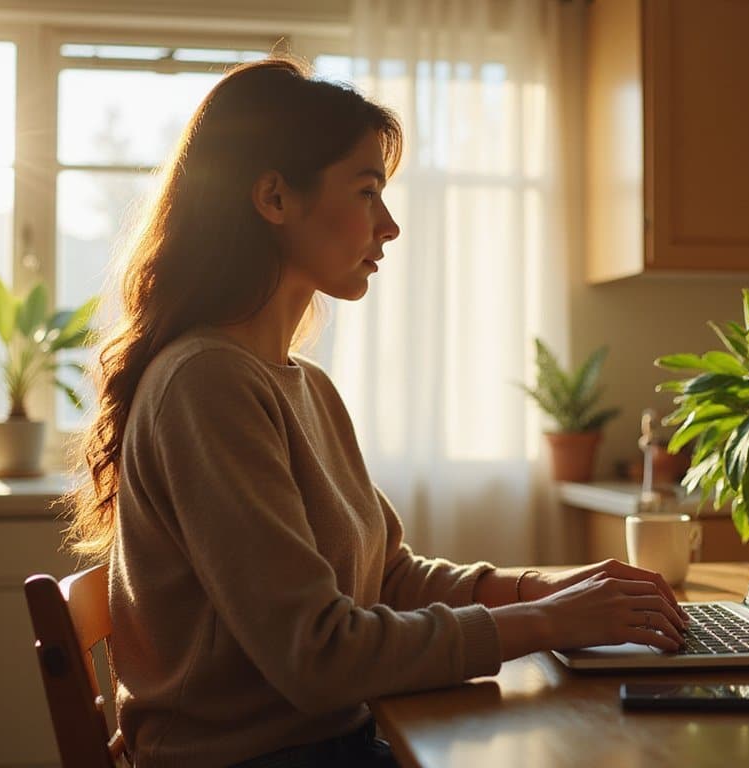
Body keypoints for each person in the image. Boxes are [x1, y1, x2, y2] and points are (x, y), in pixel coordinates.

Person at [65, 56, 687, 768]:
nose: (388, 226)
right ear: (273, 198)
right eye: (366, 192)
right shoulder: (206, 384)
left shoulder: (300, 386)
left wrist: (545, 589)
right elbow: (318, 656)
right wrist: (544, 621)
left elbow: (386, 578)